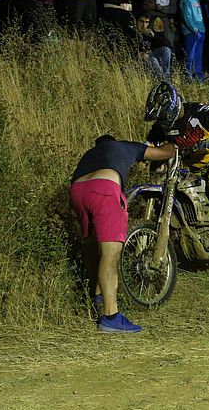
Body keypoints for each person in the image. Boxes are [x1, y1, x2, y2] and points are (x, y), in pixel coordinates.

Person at [70, 134, 176, 333]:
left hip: (77, 191)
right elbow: (163, 153)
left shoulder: (89, 154)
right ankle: (111, 317)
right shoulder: (124, 146)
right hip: (104, 190)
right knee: (111, 254)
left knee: (95, 250)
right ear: (114, 142)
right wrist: (171, 144)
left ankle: (98, 300)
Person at [144, 81, 209, 243]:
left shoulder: (198, 111)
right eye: (159, 118)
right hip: (190, 168)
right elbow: (150, 143)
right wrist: (140, 153)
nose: (161, 122)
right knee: (176, 191)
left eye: (162, 117)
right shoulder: (161, 126)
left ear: (173, 108)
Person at [179, 0, 205, 81]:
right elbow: (186, 16)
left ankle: (198, 76)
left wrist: (202, 29)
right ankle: (188, 76)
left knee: (198, 55)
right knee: (190, 54)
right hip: (191, 32)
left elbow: (199, 15)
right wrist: (194, 29)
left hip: (200, 31)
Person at [134, 12, 173, 79]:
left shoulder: (149, 32)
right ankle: (161, 79)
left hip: (149, 55)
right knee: (153, 59)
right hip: (139, 58)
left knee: (166, 50)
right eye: (141, 21)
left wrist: (154, 36)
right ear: (136, 21)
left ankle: (166, 77)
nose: (144, 25)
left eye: (147, 22)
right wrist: (139, 53)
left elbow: (168, 45)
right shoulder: (131, 32)